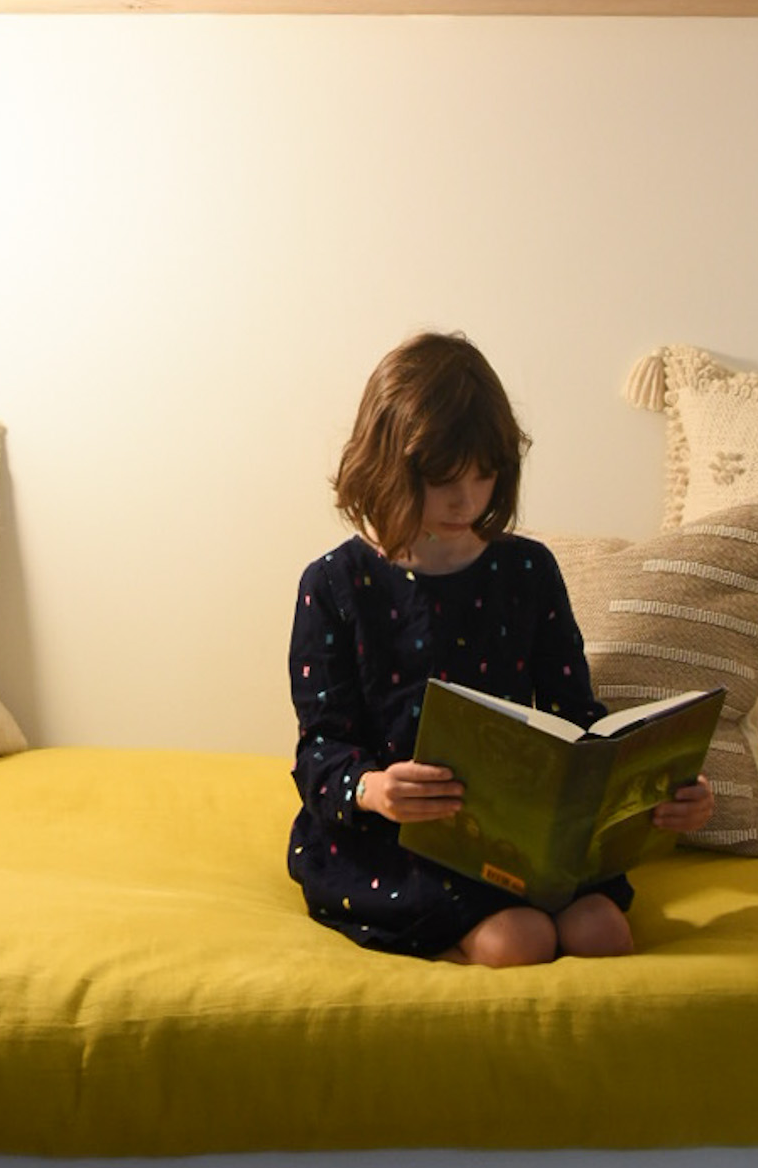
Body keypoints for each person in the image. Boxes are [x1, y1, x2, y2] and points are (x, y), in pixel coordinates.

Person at [287, 331, 713, 967]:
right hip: (400, 839)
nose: (468, 501)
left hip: (521, 836)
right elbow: (320, 747)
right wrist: (372, 788)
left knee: (603, 932)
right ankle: (447, 950)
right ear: (389, 467)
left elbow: (575, 716)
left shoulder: (528, 571)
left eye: (485, 476)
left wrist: (654, 786)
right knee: (521, 939)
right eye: (444, 480)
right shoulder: (334, 586)